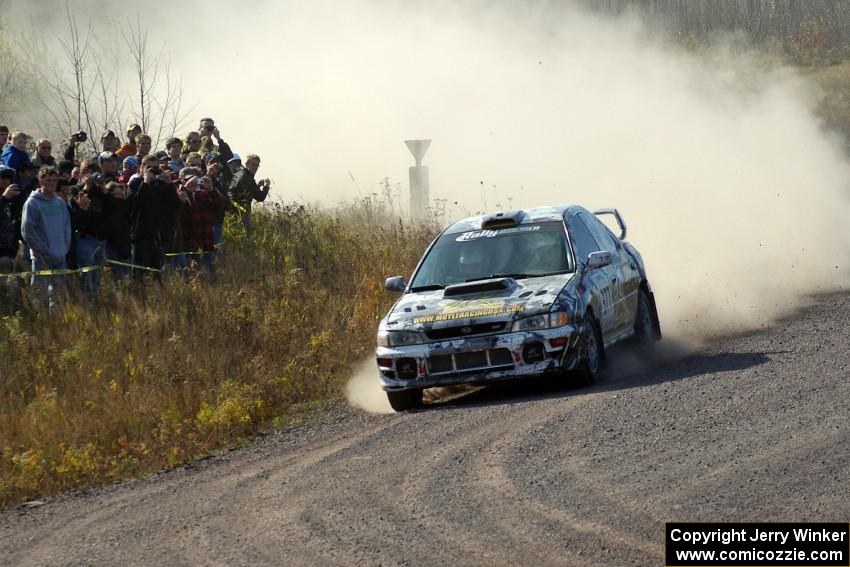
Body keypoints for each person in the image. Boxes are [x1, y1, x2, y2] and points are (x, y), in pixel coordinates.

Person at [21, 166, 72, 309]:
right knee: (40, 296)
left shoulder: (60, 203)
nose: (52, 183)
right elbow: (27, 231)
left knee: (59, 297)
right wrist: (43, 250)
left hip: (60, 256)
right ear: (40, 181)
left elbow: (67, 226)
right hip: (41, 258)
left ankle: (56, 325)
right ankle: (41, 324)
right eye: (48, 180)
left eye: (54, 180)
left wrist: (65, 246)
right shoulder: (32, 203)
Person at [126, 155, 183, 274]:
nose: (152, 170)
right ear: (141, 168)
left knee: (159, 273)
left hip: (159, 235)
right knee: (139, 271)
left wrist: (169, 185)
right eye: (149, 168)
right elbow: (134, 205)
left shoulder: (161, 185)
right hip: (140, 235)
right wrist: (145, 183)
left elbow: (175, 206)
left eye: (155, 168)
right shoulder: (135, 184)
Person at [70, 170, 113, 296]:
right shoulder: (76, 189)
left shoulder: (101, 193)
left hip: (100, 238)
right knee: (86, 273)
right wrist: (86, 187)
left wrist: (104, 191)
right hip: (85, 237)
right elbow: (74, 205)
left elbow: (112, 209)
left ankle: (95, 299)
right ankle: (86, 299)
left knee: (97, 274)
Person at [179, 170, 224, 274]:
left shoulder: (203, 194)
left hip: (205, 242)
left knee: (209, 272)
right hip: (187, 244)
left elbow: (220, 206)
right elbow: (176, 214)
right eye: (187, 180)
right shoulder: (177, 195)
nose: (192, 184)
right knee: (188, 273)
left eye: (194, 181)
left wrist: (211, 189)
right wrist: (182, 196)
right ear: (181, 180)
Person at [228, 153, 270, 239]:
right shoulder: (247, 178)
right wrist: (266, 186)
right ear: (247, 164)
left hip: (232, 212)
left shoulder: (239, 174)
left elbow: (246, 192)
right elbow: (260, 197)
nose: (255, 167)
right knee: (245, 240)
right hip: (241, 213)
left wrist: (257, 186)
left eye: (257, 165)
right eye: (253, 164)